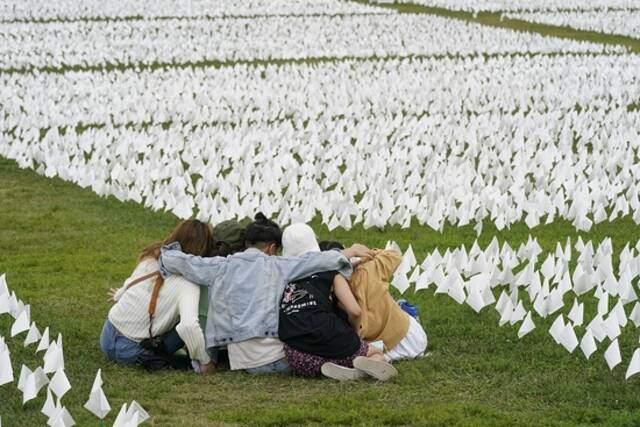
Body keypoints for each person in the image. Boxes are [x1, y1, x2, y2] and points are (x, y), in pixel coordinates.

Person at [159, 212, 375, 374]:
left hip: (240, 362)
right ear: (272, 248)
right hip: (277, 358)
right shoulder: (276, 265)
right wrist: (349, 252)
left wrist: (165, 255)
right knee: (316, 347)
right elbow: (313, 260)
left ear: (246, 243)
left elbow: (186, 262)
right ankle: (349, 363)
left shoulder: (220, 266)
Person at [279, 224, 398, 381]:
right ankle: (364, 366)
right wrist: (355, 334)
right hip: (327, 333)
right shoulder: (332, 273)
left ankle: (330, 367)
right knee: (375, 352)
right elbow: (355, 311)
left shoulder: (285, 275)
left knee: (324, 353)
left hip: (296, 354)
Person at [100, 219, 215, 374]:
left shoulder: (152, 256)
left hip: (107, 335)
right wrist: (205, 361)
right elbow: (189, 326)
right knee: (195, 318)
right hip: (130, 350)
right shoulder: (189, 283)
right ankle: (192, 357)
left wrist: (120, 294)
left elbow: (133, 281)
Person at [319, 241, 428, 362]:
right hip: (411, 335)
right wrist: (365, 254)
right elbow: (394, 255)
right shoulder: (369, 267)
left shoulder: (323, 290)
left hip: (381, 347)